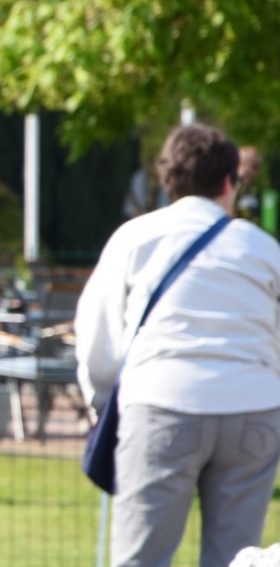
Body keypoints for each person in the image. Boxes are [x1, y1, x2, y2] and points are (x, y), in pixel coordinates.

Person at [75, 124, 280, 567]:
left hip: (162, 401)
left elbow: (98, 336)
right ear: (228, 181)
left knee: (141, 557)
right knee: (235, 556)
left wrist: (101, 401)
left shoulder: (135, 238)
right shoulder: (263, 249)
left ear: (167, 178)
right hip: (253, 409)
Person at [234, 146, 265, 223]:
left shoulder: (255, 189)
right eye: (254, 165)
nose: (258, 170)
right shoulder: (232, 186)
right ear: (241, 163)